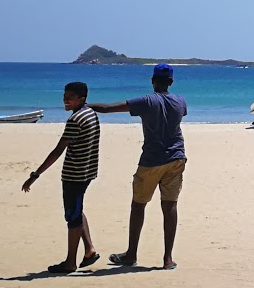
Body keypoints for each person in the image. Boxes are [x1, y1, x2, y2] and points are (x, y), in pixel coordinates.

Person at [88, 63, 186, 270]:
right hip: (177, 158)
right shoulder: (180, 101)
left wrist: (83, 105)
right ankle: (168, 259)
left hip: (152, 160)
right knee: (170, 207)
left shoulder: (146, 101)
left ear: (152, 81)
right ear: (171, 82)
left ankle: (131, 254)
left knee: (138, 205)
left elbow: (107, 109)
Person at [21, 81, 101, 273]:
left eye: (69, 98)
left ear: (81, 99)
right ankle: (89, 249)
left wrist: (35, 175)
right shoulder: (90, 113)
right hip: (88, 171)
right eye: (64, 96)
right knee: (77, 209)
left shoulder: (75, 120)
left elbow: (57, 151)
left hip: (75, 174)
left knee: (72, 217)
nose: (65, 100)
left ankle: (70, 262)